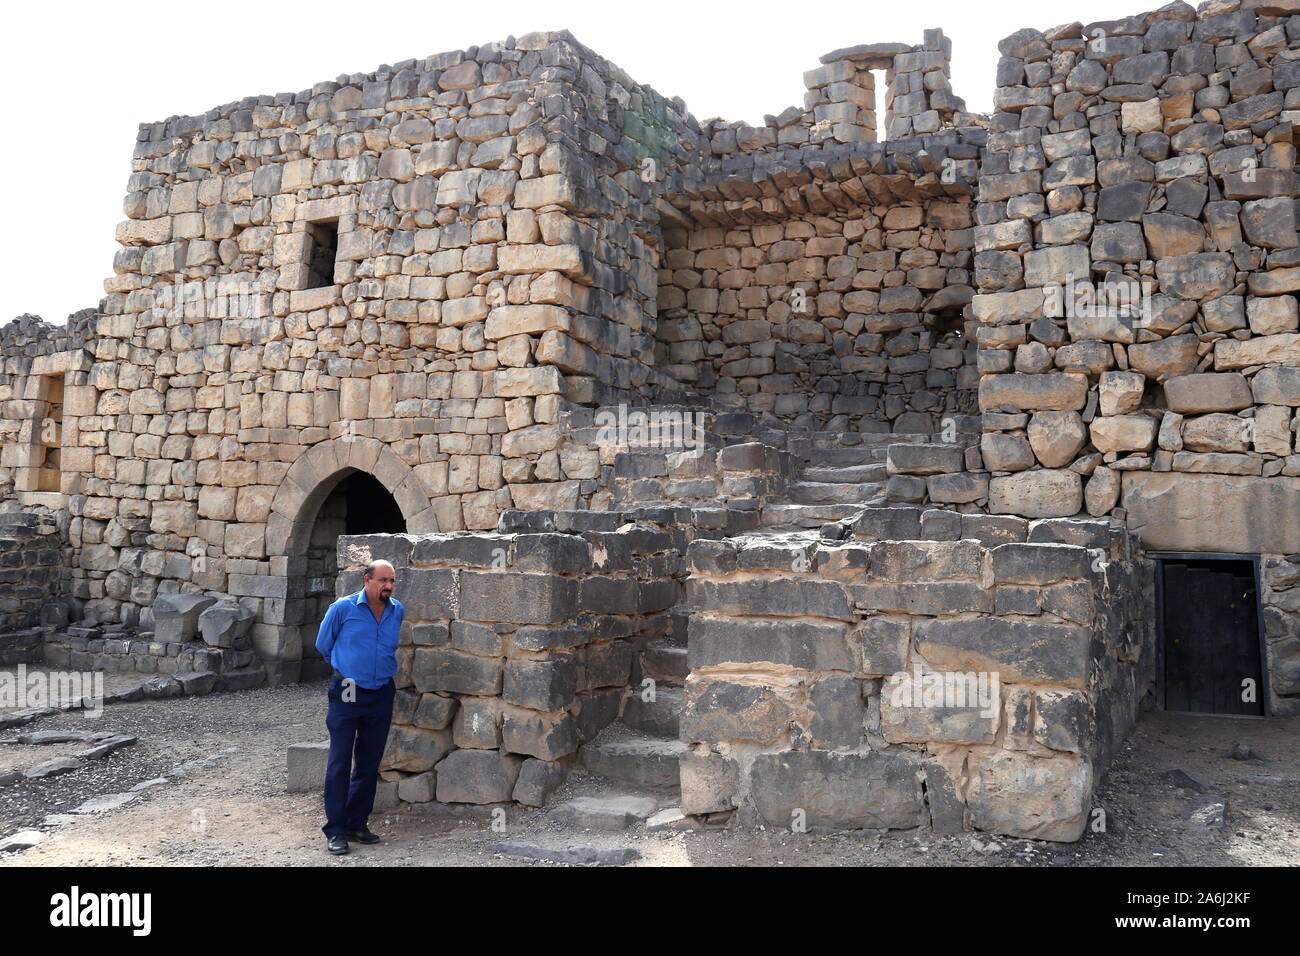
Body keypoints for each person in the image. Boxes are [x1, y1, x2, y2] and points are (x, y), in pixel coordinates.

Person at [314, 559, 403, 855]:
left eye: (391, 581)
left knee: (368, 761)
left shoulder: (396, 610)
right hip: (349, 689)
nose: (388, 586)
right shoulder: (343, 608)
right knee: (340, 760)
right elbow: (323, 645)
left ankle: (356, 823)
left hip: (381, 691)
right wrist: (347, 669)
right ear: (367, 579)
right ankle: (335, 830)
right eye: (382, 580)